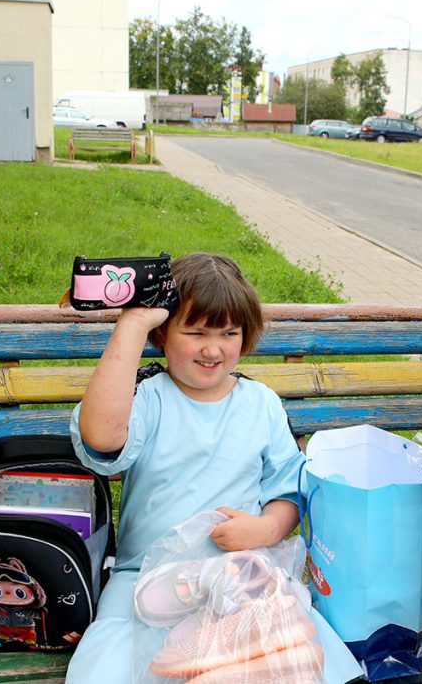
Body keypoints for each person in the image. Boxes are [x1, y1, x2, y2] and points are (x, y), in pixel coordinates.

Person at [65, 253, 304, 682]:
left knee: (284, 655)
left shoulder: (261, 403)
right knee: (110, 664)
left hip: (241, 574)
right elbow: (101, 436)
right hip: (144, 576)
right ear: (163, 333)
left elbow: (288, 488)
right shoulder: (147, 396)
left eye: (229, 333)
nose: (213, 349)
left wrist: (267, 529)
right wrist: (134, 324)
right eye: (195, 332)